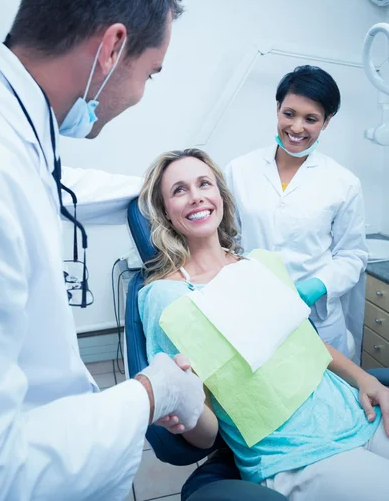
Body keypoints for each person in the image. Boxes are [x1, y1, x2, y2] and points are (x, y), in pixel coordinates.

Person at [0, 0, 206, 501]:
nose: (139, 94)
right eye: (150, 74)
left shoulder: (21, 129)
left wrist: (157, 182)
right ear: (112, 47)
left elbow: (61, 182)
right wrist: (150, 392)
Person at [137, 147, 389, 501]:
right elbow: (206, 434)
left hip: (358, 412)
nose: (196, 197)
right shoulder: (166, 298)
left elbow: (308, 343)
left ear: (220, 196)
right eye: (179, 190)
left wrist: (368, 382)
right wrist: (187, 412)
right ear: (165, 211)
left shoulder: (260, 264)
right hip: (296, 455)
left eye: (203, 184)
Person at [225, 65, 368, 359]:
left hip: (316, 319)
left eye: (311, 119)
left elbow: (352, 255)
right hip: (254, 311)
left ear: (327, 122)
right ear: (277, 109)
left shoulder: (343, 183)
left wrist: (317, 286)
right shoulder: (239, 170)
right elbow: (226, 240)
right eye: (289, 113)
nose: (297, 127)